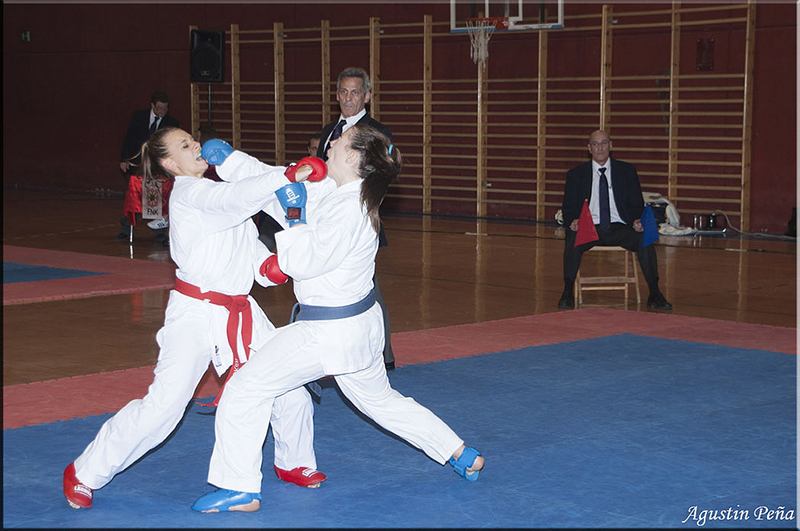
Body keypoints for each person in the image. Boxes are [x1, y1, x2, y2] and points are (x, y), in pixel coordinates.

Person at [191, 124, 484, 514]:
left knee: (245, 389)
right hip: (358, 328)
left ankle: (239, 487)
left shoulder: (350, 210)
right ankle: (459, 452)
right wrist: (230, 161)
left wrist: (294, 216)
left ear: (352, 156)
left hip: (328, 332)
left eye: (339, 142)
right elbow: (278, 185)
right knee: (381, 402)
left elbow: (303, 262)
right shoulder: (338, 190)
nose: (329, 145)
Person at [62, 127, 328, 510]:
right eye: (185, 146)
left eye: (194, 140)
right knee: (164, 407)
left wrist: (268, 267)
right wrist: (288, 174)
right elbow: (238, 197)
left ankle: (293, 462)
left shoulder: (215, 195)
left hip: (239, 308)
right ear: (170, 164)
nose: (196, 147)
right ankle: (85, 471)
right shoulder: (191, 194)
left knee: (288, 382)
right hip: (196, 313)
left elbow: (245, 241)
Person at [317, 67, 395, 370]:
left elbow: (384, 172)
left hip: (357, 215)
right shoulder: (329, 131)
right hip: (327, 217)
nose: (349, 98)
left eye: (355, 92)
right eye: (344, 92)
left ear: (367, 96)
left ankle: (382, 353)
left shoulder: (376, 132)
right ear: (337, 96)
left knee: (367, 287)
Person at [558, 129, 673, 311]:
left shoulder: (626, 171)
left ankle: (654, 292)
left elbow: (636, 203)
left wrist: (637, 220)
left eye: (604, 143)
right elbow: (568, 207)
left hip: (619, 227)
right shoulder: (575, 174)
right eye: (595, 144)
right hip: (590, 227)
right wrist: (572, 221)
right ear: (589, 148)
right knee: (572, 239)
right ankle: (567, 291)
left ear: (611, 146)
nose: (600, 148)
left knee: (645, 239)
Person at [116, 91, 180, 241]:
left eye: (165, 108)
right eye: (159, 108)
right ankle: (126, 229)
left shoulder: (172, 123)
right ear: (152, 106)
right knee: (133, 197)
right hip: (137, 163)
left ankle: (159, 234)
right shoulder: (139, 117)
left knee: (156, 197)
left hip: (157, 167)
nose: (162, 112)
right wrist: (124, 159)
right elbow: (129, 138)